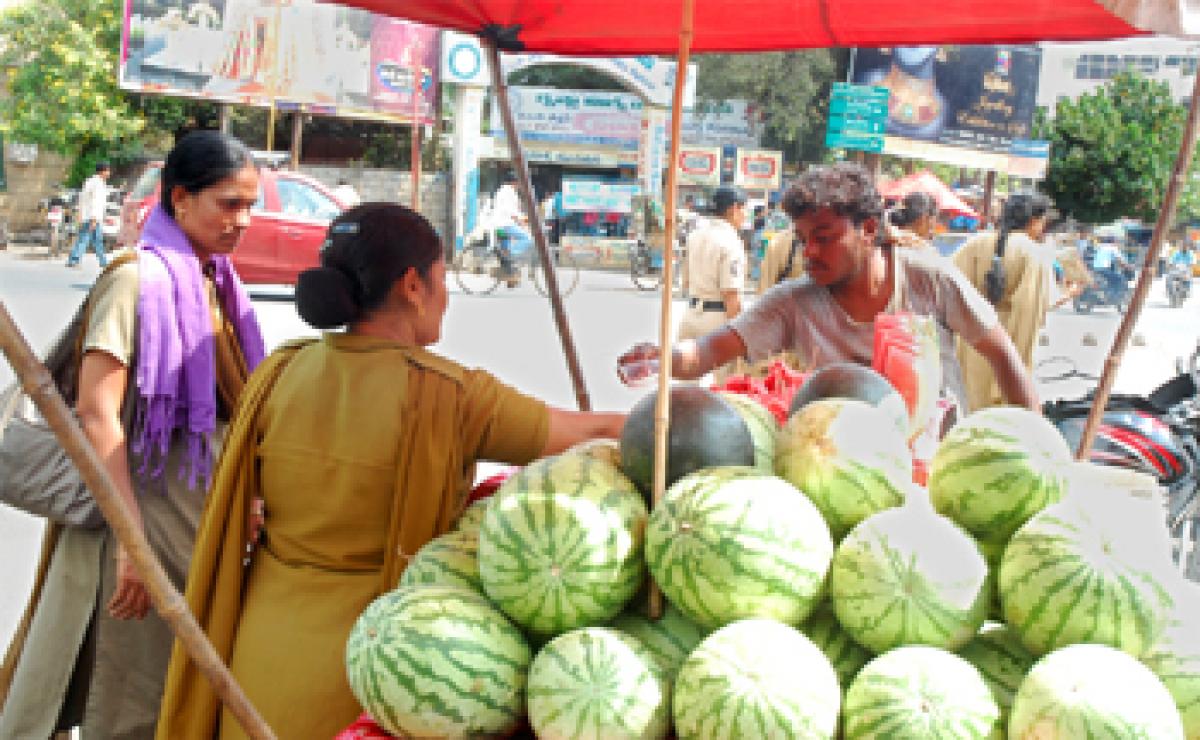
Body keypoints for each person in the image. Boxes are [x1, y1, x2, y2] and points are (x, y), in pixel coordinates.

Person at [156, 203, 626, 740]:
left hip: (257, 664)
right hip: (384, 675)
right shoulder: (452, 395)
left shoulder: (280, 373)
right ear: (411, 285)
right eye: (442, 277)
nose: (445, 294)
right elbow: (592, 435)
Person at [0, 131, 266, 739]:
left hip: (187, 521)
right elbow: (99, 411)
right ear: (180, 198)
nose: (242, 221)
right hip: (135, 517)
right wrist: (131, 544)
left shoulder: (216, 282)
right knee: (121, 695)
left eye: (250, 206)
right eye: (229, 204)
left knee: (165, 690)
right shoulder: (135, 279)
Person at [618, 163, 1039, 414]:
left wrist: (1039, 450)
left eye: (823, 237)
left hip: (931, 467)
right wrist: (662, 358)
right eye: (803, 240)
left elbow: (1004, 357)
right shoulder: (794, 302)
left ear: (869, 230)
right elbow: (706, 353)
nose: (809, 252)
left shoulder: (928, 277)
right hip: (836, 465)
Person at [952, 193, 1056, 411]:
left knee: (970, 412)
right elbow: (1030, 310)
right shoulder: (1033, 253)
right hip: (1007, 345)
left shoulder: (974, 244)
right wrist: (1018, 364)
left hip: (974, 344)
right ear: (1034, 221)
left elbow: (949, 288)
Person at [678, 186, 748, 383]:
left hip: (691, 315)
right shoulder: (731, 242)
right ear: (734, 208)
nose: (744, 215)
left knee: (687, 388)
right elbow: (731, 294)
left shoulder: (695, 235)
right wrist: (741, 333)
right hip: (718, 320)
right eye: (744, 209)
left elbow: (685, 280)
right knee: (726, 387)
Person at [66, 161, 112, 268]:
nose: (109, 173)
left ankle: (103, 261)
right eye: (108, 170)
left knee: (96, 240)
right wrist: (94, 218)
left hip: (90, 216)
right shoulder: (97, 184)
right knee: (85, 238)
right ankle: (74, 260)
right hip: (92, 216)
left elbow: (83, 199)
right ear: (103, 171)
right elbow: (96, 201)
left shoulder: (92, 181)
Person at [492, 170, 534, 258]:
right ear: (515, 182)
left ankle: (505, 260)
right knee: (527, 239)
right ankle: (509, 253)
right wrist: (523, 220)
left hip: (498, 225)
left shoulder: (500, 191)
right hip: (506, 224)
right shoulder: (510, 193)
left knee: (504, 247)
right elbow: (512, 211)